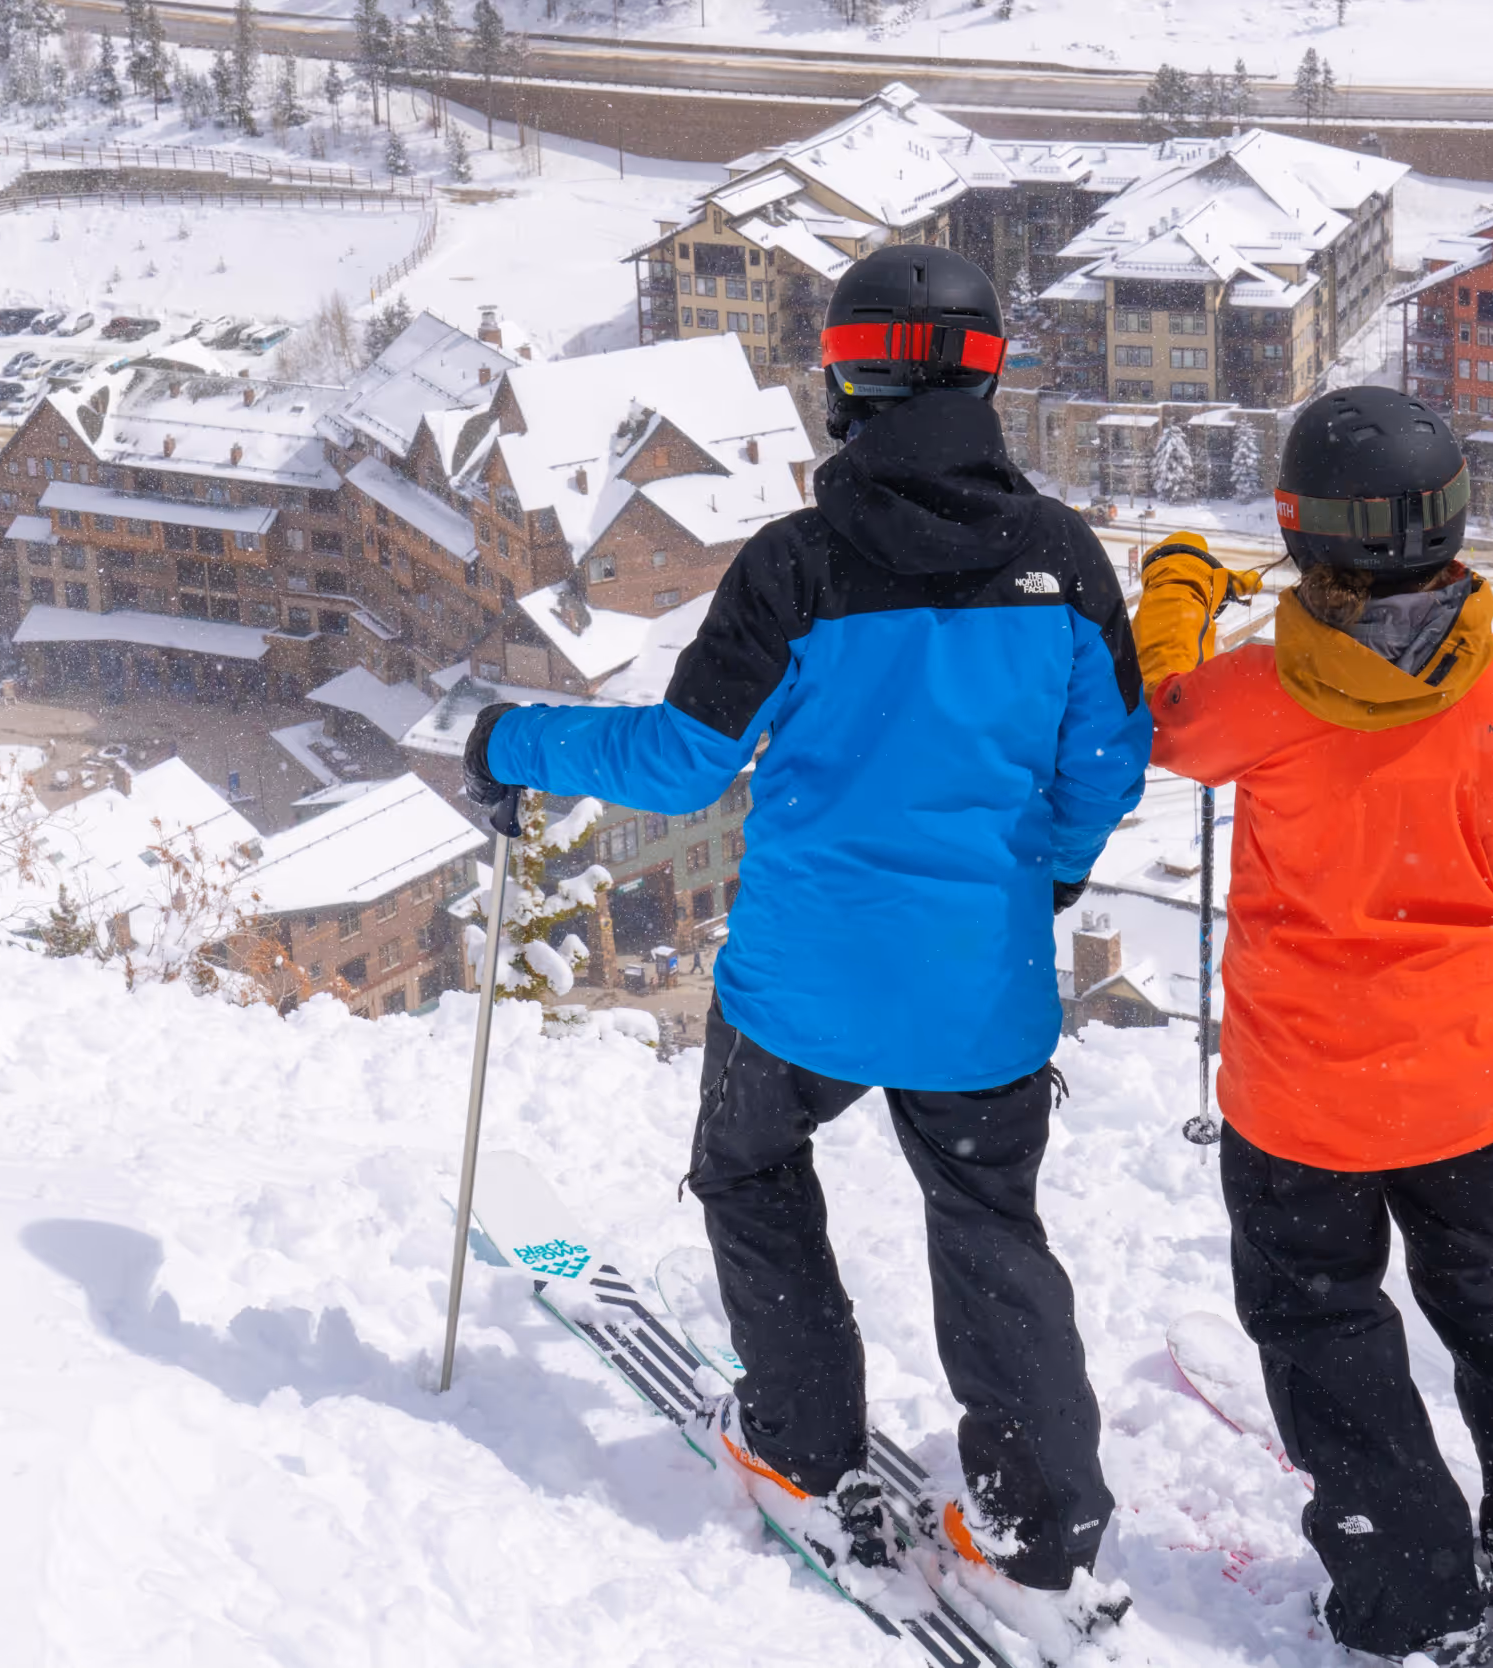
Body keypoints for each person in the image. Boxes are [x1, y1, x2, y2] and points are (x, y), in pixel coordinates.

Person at [462, 246, 1149, 1611]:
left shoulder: (801, 566)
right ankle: (1042, 1532)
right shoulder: (1063, 564)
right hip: (982, 987)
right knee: (988, 1226)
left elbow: (679, 763)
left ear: (844, 378)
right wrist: (1046, 880)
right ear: (988, 370)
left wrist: (509, 740)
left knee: (752, 1174)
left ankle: (799, 1444)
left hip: (805, 983)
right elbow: (1109, 763)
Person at [1132, 386, 1493, 1668]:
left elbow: (1157, 705)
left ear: (1304, 534)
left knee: (1322, 1328)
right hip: (1475, 1088)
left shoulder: (1254, 699)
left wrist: (1183, 581)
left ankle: (1407, 1603)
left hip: (1302, 1103)